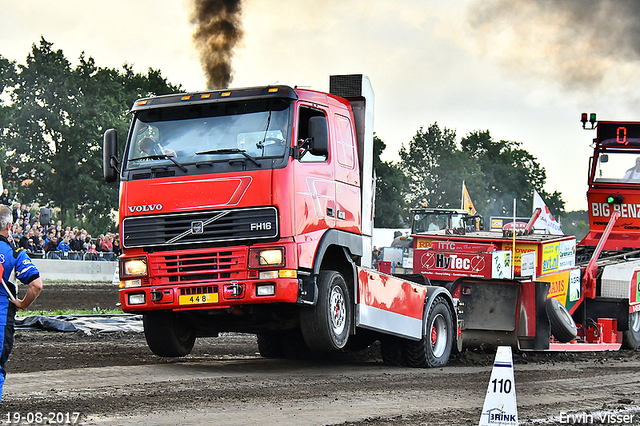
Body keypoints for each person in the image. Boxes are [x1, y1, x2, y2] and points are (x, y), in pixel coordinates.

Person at [0, 204, 43, 402]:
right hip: (2, 319)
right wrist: (23, 304)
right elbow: (36, 285)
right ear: (9, 226)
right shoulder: (15, 253)